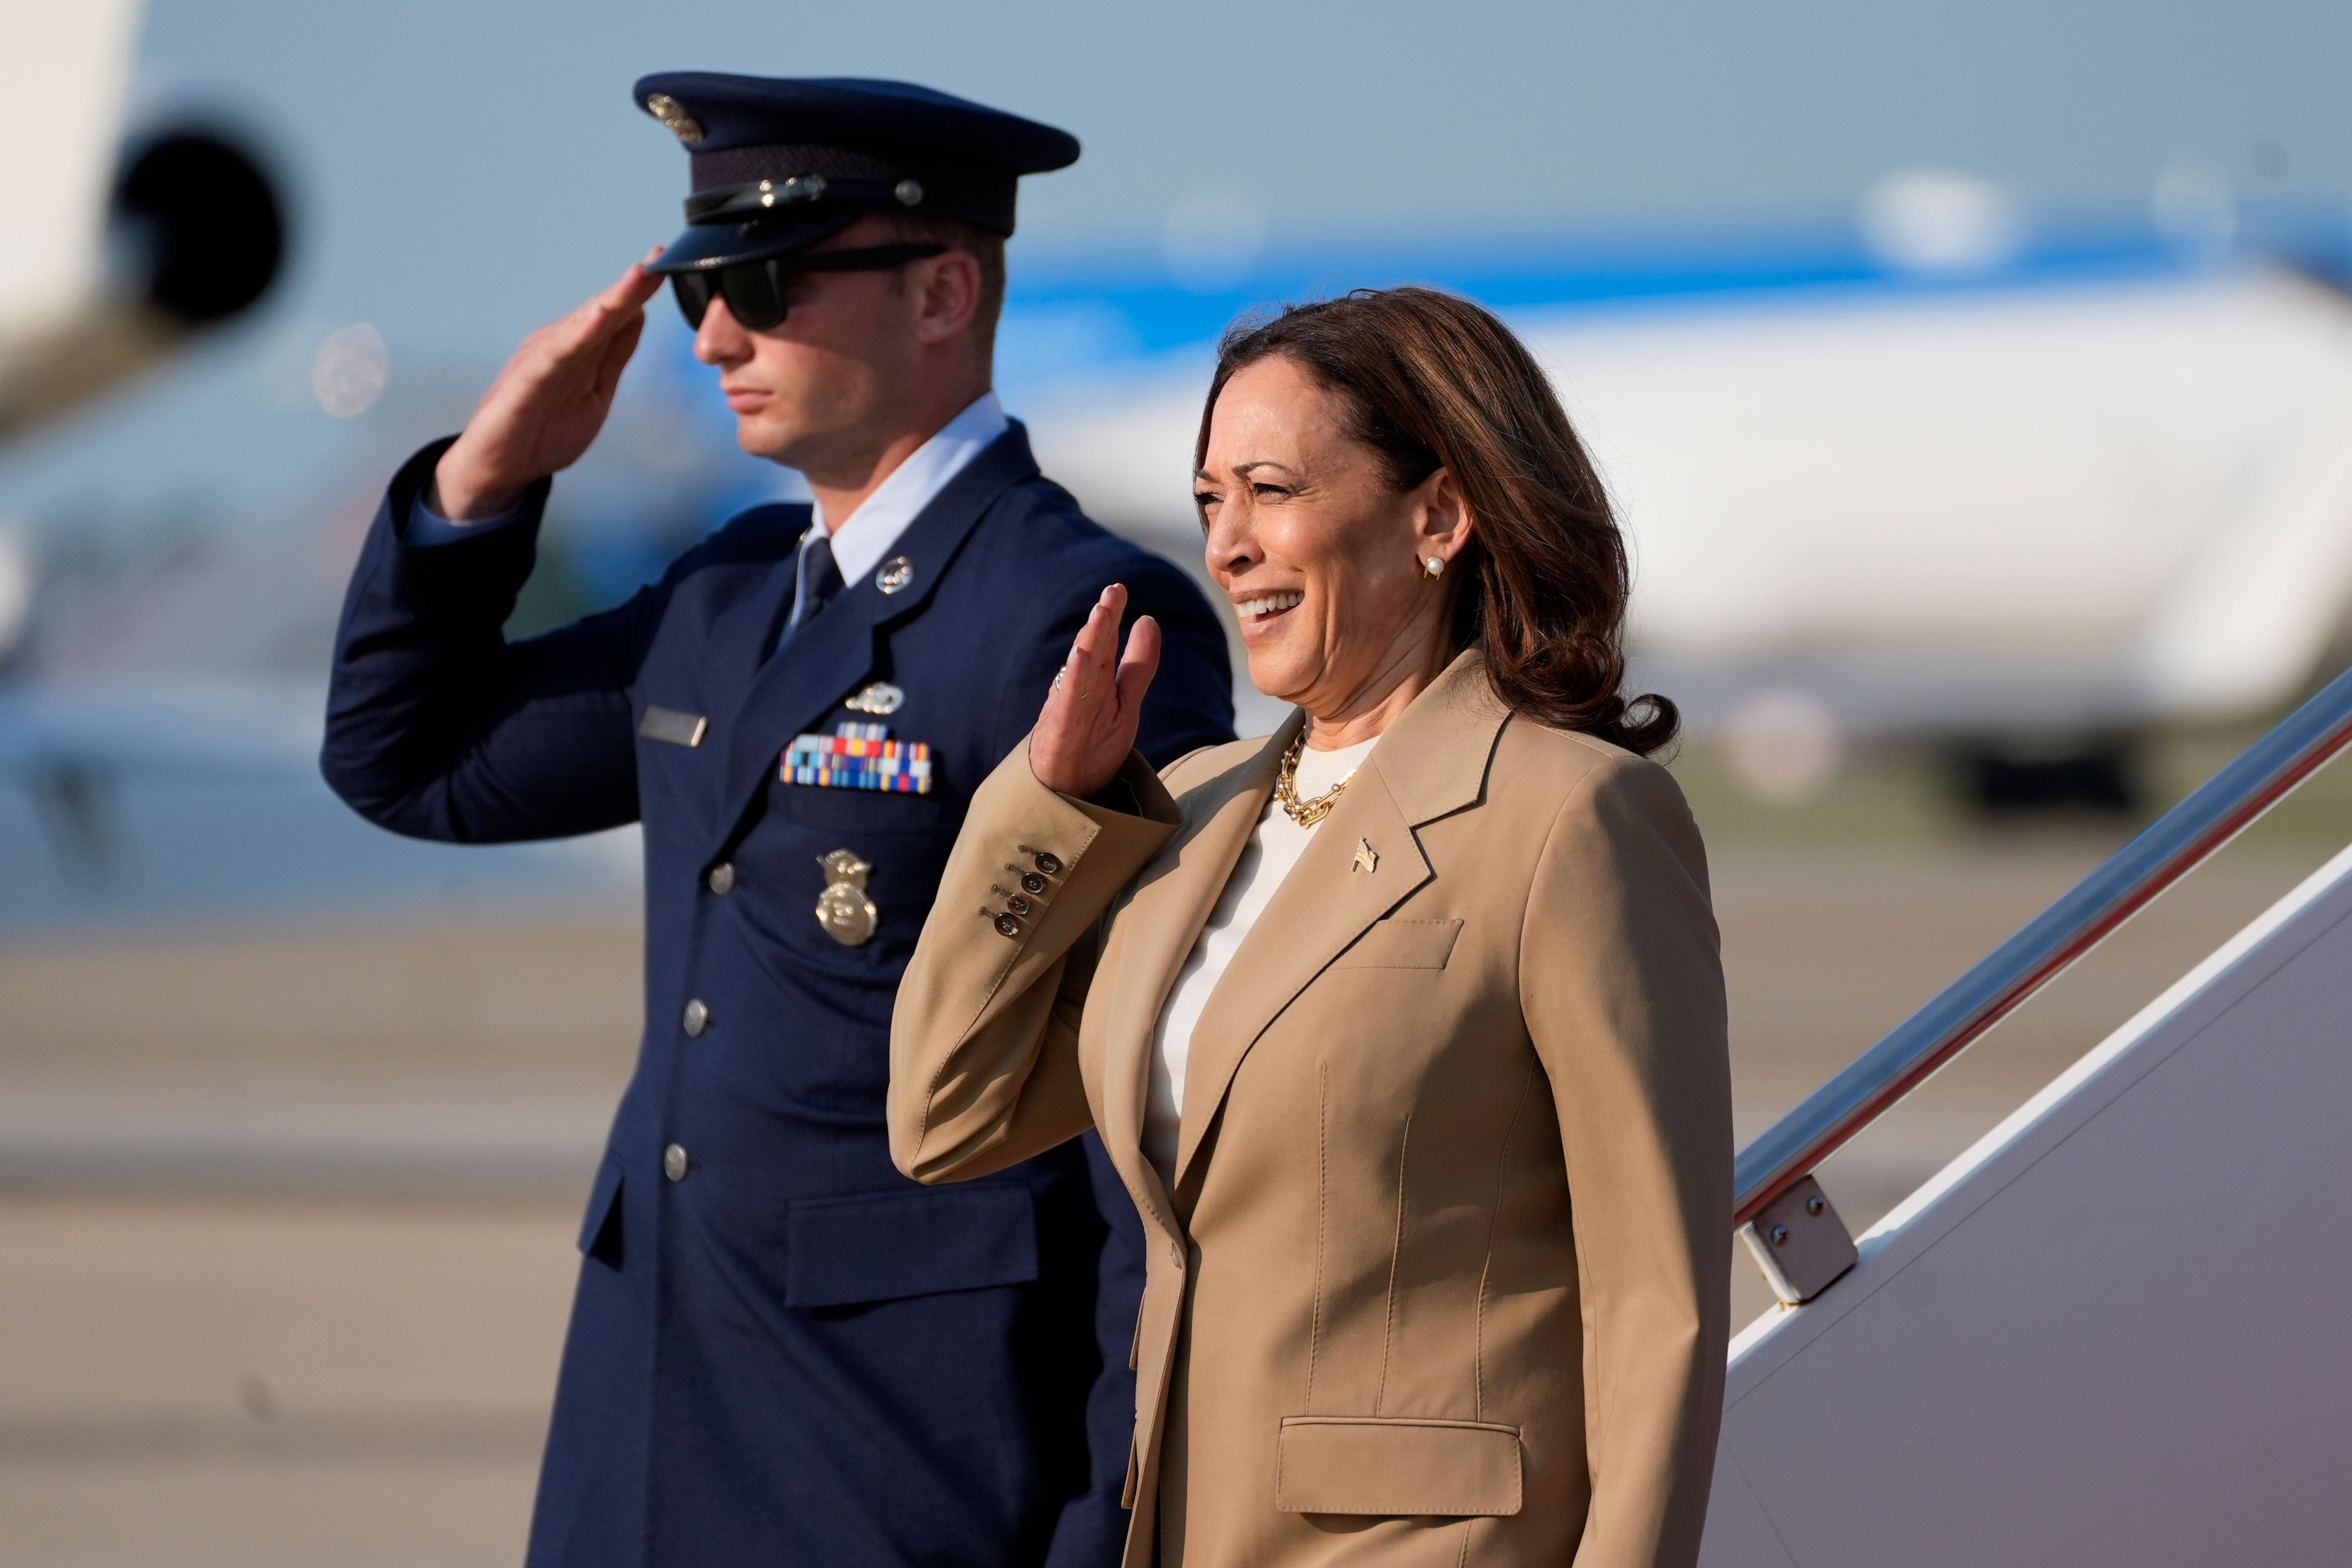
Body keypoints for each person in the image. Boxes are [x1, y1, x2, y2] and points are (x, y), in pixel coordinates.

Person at [320, 74, 1234, 1568]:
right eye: (696, 288)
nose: (712, 336)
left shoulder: (1068, 618)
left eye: (759, 283)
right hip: (647, 1432)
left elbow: (1150, 1116)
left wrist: (1110, 1520)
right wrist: (486, 480)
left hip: (905, 1462)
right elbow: (407, 762)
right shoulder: (724, 596)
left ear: (943, 291)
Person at [889, 286, 1732, 1568]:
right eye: (1208, 501)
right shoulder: (1188, 809)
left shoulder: (1573, 816)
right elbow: (945, 1114)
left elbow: (1655, 1300)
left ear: (1439, 516)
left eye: (1270, 489)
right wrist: (1047, 807)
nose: (1226, 545)